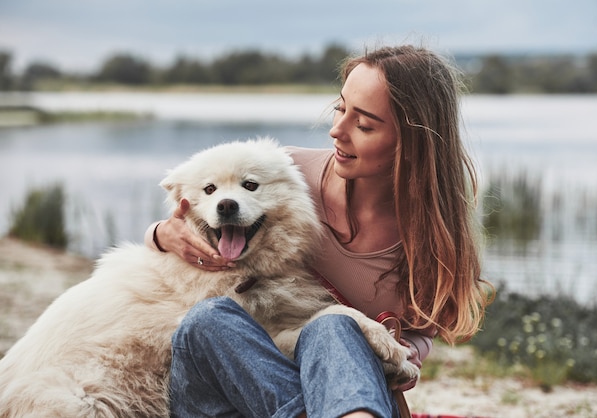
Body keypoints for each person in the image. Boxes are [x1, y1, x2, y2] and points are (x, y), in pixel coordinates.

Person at [145, 44, 493, 418]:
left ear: (410, 142)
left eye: (363, 125)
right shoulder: (280, 174)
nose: (336, 131)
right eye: (340, 108)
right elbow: (194, 203)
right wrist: (162, 234)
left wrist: (403, 351)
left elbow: (425, 329)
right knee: (206, 320)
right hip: (238, 393)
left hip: (346, 392)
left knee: (332, 328)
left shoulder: (431, 234)